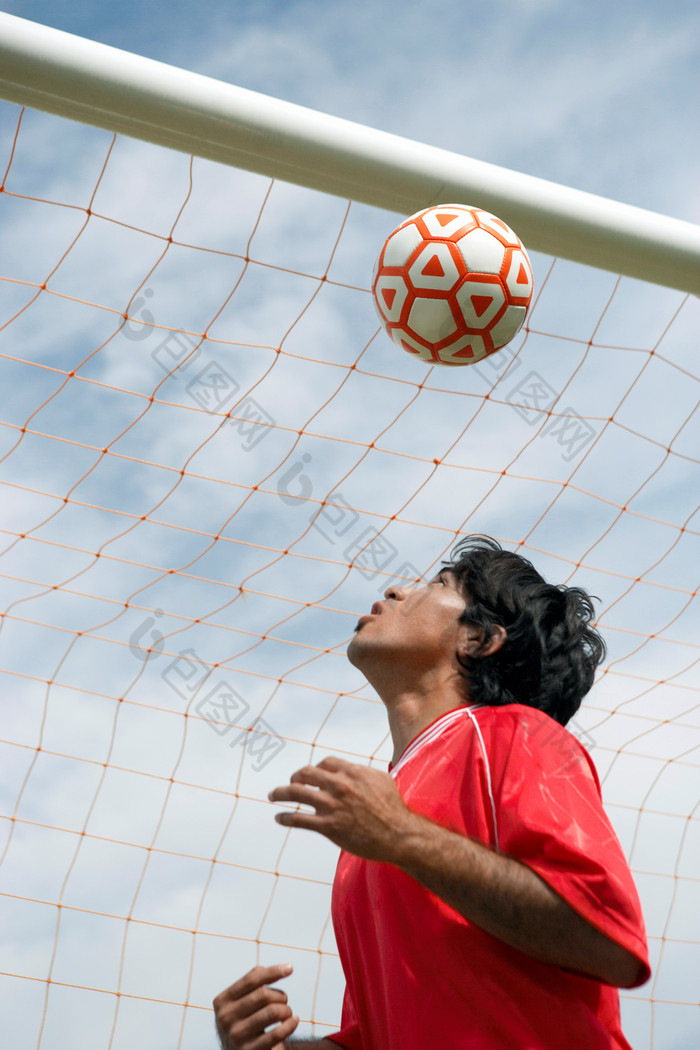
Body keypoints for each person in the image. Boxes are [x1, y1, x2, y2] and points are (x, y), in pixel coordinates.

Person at [213, 536, 650, 1050]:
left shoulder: (518, 734)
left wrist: (403, 836)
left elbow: (610, 939)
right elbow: (379, 1036)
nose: (396, 589)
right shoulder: (376, 822)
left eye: (439, 584)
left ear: (479, 640)